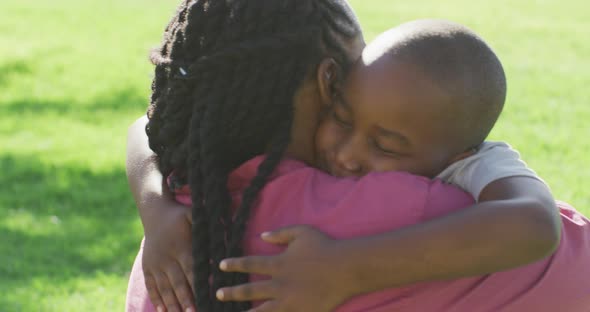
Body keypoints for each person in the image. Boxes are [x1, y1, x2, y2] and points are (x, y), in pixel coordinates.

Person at [125, 3, 571, 311]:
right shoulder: (407, 213)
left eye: (387, 146)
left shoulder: (187, 188)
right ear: (326, 82)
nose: (347, 154)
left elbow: (144, 130)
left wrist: (156, 207)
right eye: (341, 114)